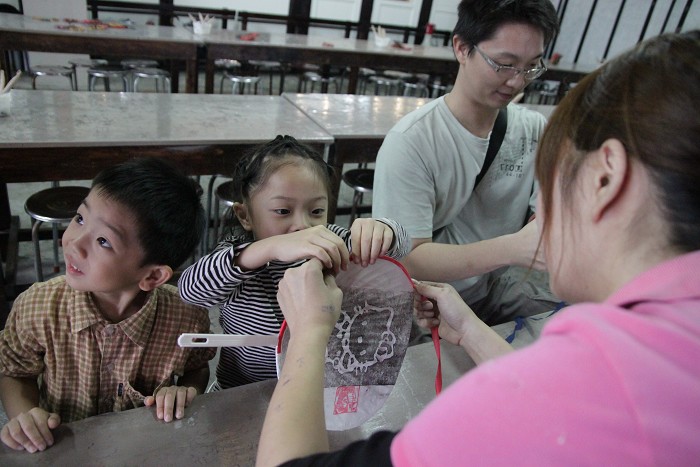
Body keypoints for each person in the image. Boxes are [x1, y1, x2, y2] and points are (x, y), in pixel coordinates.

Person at [256, 30, 700, 466]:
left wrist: (309, 333)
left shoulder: (575, 387)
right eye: (504, 63)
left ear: (604, 178)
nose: (541, 209)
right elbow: (543, 395)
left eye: (548, 180)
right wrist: (470, 330)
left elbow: (546, 399)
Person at [0, 158, 216, 454]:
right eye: (80, 219)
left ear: (152, 276)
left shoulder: (186, 317)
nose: (74, 243)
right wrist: (25, 417)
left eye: (103, 241)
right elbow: (15, 371)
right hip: (60, 450)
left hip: (142, 450)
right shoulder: (38, 307)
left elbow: (197, 367)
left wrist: (185, 390)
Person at [373, 0, 561, 325]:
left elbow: (549, 214)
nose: (517, 82)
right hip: (425, 305)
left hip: (495, 288)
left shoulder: (533, 130)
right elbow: (409, 258)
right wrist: (513, 248)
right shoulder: (412, 141)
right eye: (504, 64)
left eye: (532, 66)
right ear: (462, 48)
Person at [178, 135, 410, 390]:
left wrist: (383, 231)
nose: (303, 225)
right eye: (283, 211)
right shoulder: (237, 258)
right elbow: (189, 291)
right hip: (242, 392)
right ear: (245, 216)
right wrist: (270, 248)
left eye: (316, 211)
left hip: (317, 393)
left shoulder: (332, 243)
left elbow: (400, 246)